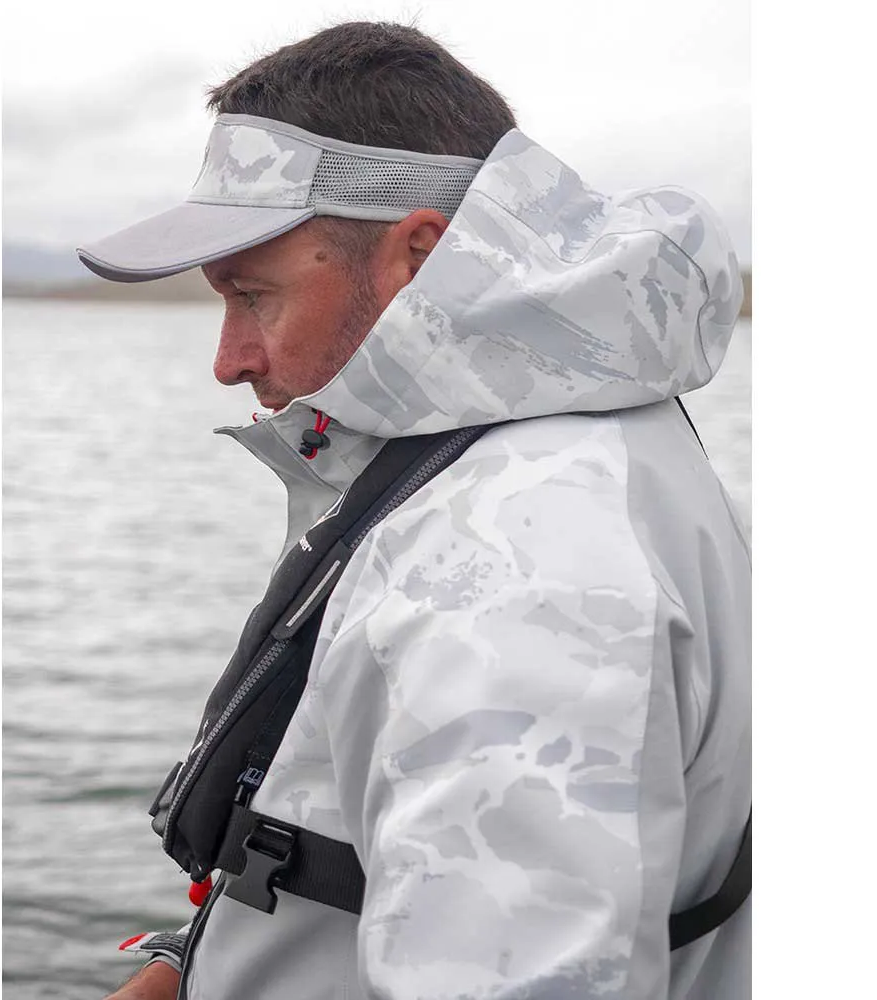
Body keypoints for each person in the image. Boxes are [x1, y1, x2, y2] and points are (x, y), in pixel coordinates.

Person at [78, 20, 750, 1000]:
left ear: (419, 255)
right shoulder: (551, 445)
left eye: (253, 296)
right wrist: (190, 969)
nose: (228, 360)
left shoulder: (514, 561)